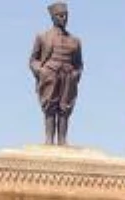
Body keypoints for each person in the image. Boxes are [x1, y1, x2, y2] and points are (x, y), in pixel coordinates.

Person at [30, 2, 83, 146]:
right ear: (53, 17)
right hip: (50, 75)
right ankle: (49, 139)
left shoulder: (75, 41)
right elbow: (33, 60)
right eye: (60, 15)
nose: (64, 18)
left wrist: (76, 75)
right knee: (50, 106)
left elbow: (79, 63)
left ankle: (62, 140)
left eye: (66, 15)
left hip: (68, 76)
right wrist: (41, 71)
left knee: (65, 108)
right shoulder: (42, 37)